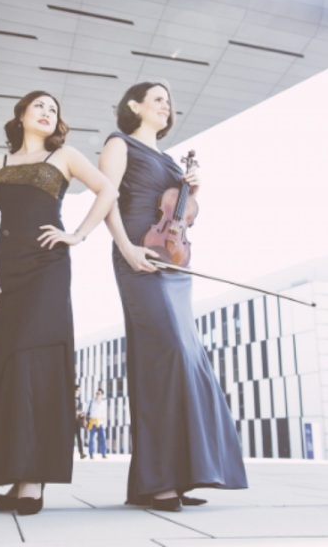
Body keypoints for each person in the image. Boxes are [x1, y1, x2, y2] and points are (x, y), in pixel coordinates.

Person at [99, 81, 247, 512]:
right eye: (159, 99)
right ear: (135, 105)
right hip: (138, 256)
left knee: (185, 361)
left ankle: (174, 477)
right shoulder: (118, 143)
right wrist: (126, 247)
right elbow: (107, 198)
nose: (167, 106)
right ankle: (158, 481)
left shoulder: (168, 160)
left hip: (174, 263)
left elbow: (179, 215)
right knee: (163, 359)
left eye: (169, 102)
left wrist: (193, 191)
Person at [0, 90, 117, 517]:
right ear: (21, 115)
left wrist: (77, 234)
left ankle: (32, 480)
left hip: (47, 269)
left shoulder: (66, 156)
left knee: (34, 364)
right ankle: (13, 474)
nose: (47, 112)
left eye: (54, 109)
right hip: (7, 271)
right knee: (8, 366)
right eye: (39, 106)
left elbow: (107, 190)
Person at [86, 389, 107, 459]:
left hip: (100, 423)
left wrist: (104, 424)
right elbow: (86, 411)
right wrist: (85, 420)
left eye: (99, 393)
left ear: (101, 395)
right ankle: (91, 454)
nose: (97, 395)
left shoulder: (103, 403)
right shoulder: (91, 401)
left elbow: (104, 414)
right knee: (91, 439)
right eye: (97, 393)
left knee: (103, 438)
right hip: (92, 422)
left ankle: (103, 453)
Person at [74, 385, 86, 459]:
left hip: (77, 422)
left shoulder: (79, 400)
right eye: (78, 390)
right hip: (70, 422)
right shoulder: (70, 399)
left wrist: (81, 414)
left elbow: (79, 410)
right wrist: (76, 412)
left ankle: (81, 453)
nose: (79, 391)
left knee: (79, 437)